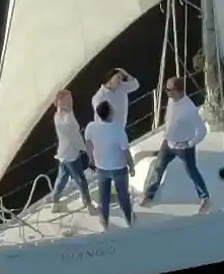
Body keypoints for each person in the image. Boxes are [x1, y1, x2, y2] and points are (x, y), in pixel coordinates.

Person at [140, 76, 211, 211]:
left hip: (183, 147)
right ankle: (149, 195)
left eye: (168, 89)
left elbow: (202, 130)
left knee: (192, 172)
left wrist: (190, 143)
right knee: (158, 167)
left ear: (178, 91)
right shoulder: (172, 99)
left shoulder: (189, 109)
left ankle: (205, 197)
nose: (166, 92)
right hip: (168, 144)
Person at [83, 99, 136, 230]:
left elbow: (88, 143)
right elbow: (125, 151)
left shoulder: (91, 127)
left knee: (104, 197)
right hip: (119, 168)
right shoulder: (118, 130)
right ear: (110, 114)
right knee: (123, 195)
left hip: (101, 168)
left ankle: (104, 220)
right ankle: (129, 219)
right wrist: (132, 166)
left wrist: (91, 159)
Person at [51, 87, 93, 212]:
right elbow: (75, 136)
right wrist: (85, 149)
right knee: (81, 179)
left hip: (62, 153)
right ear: (61, 101)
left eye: (71, 99)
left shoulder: (58, 115)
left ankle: (55, 200)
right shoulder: (68, 116)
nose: (71, 101)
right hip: (71, 154)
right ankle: (89, 205)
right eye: (68, 99)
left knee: (62, 177)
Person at [91, 67, 140, 131]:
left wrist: (125, 73)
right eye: (118, 77)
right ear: (110, 78)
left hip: (120, 131)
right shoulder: (99, 96)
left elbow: (135, 85)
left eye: (121, 78)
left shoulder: (122, 87)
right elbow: (100, 114)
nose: (120, 81)